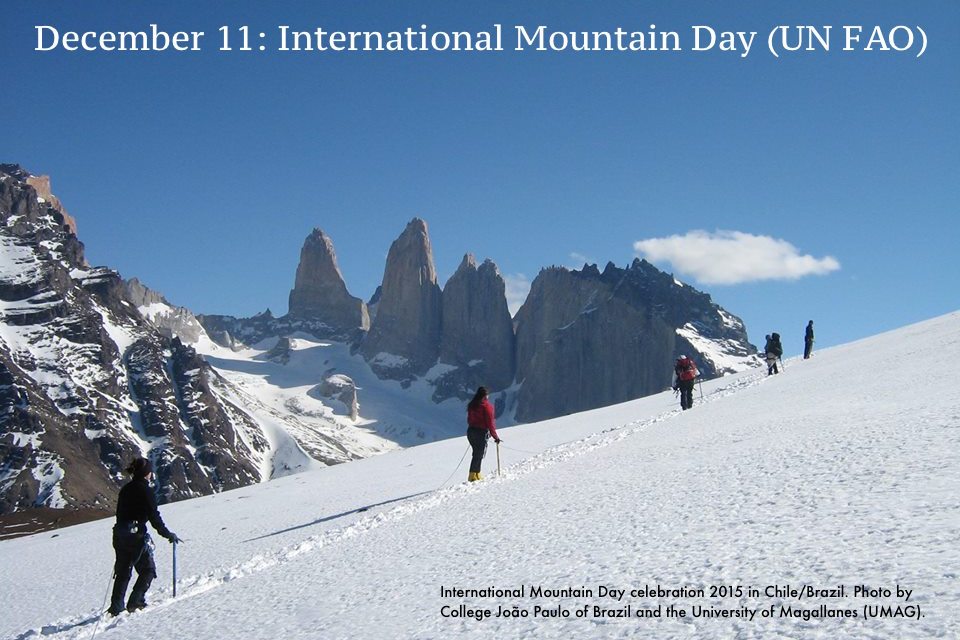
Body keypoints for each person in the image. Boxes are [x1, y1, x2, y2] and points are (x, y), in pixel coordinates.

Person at [108, 457, 180, 616]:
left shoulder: (126, 489)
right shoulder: (145, 490)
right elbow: (154, 516)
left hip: (120, 533)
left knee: (123, 571)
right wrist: (167, 533)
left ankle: (116, 606)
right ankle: (136, 601)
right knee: (147, 569)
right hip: (136, 535)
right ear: (147, 473)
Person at [466, 386, 500, 481]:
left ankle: (476, 473)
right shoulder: (487, 407)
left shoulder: (472, 405)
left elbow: (469, 419)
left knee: (476, 453)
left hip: (471, 431)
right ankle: (473, 475)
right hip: (481, 432)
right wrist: (495, 437)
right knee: (479, 453)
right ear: (486, 396)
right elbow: (490, 423)